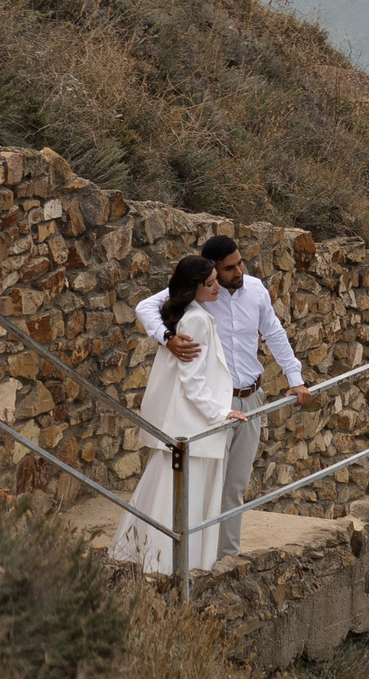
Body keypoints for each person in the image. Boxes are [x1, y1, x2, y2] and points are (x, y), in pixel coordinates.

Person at [137, 234, 309, 532]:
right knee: (206, 483)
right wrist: (167, 339)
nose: (238, 272)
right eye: (229, 268)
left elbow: (275, 334)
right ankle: (198, 556)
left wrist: (295, 379)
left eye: (240, 263)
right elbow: (145, 308)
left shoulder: (255, 290)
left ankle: (226, 558)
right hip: (214, 403)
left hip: (251, 398)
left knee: (235, 485)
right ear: (212, 270)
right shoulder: (203, 292)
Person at [112, 254, 247, 574]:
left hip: (183, 425)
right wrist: (221, 413)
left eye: (217, 280)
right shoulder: (196, 320)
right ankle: (172, 567)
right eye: (211, 283)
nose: (218, 287)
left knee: (163, 492)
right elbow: (193, 381)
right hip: (194, 425)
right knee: (188, 497)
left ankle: (148, 559)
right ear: (194, 287)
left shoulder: (186, 313)